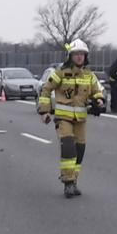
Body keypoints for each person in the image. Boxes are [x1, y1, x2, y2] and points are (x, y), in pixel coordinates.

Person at [38, 40, 105, 198]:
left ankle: (74, 180)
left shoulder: (89, 75)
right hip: (63, 118)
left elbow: (97, 91)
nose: (80, 57)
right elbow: (46, 89)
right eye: (77, 54)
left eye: (82, 54)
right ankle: (67, 182)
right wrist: (44, 111)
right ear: (71, 56)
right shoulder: (60, 72)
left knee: (79, 151)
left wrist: (99, 100)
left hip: (80, 119)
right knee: (68, 148)